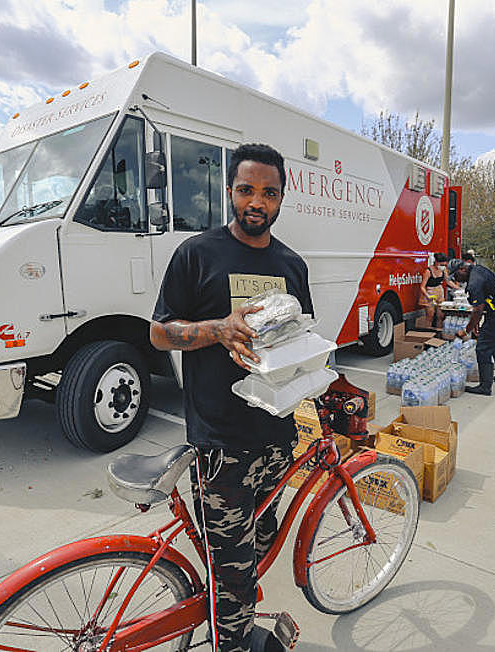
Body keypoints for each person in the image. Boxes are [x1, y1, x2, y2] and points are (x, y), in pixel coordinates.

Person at [150, 143, 312, 652]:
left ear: (282, 197)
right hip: (221, 444)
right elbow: (159, 334)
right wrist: (218, 329)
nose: (256, 201)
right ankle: (234, 642)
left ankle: (238, 622)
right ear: (230, 193)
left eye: (268, 192)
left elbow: (301, 338)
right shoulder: (197, 254)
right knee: (233, 575)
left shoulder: (293, 264)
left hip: (276, 438)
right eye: (246, 190)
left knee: (258, 546)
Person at [447, 255, 495, 395]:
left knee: (483, 347)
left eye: (456, 275)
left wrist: (466, 330)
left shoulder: (474, 283)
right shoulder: (478, 270)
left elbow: (477, 310)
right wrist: (475, 323)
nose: (456, 279)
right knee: (493, 341)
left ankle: (485, 386)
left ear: (462, 269)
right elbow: (481, 306)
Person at [419, 252, 450, 327]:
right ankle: (428, 332)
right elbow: (422, 286)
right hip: (430, 292)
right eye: (441, 265)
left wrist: (458, 288)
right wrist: (427, 295)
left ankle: (438, 331)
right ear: (436, 262)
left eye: (444, 265)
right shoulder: (428, 271)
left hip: (439, 292)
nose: (442, 266)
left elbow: (448, 281)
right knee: (430, 315)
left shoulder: (444, 270)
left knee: (440, 315)